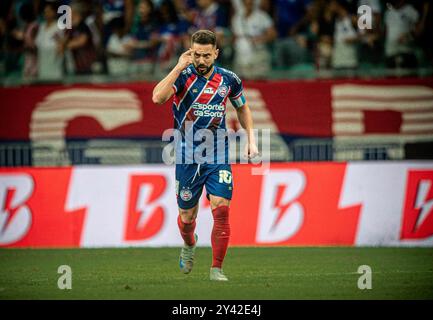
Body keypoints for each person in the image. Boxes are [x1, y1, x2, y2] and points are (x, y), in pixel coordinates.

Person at [152, 30, 258, 281]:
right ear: (190, 52)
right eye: (196, 55)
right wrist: (178, 67)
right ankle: (189, 244)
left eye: (206, 56)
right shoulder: (183, 76)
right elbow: (158, 97)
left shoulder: (229, 79)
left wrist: (251, 139)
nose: (201, 60)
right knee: (187, 218)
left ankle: (216, 269)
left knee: (221, 208)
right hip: (187, 156)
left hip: (217, 154)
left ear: (216, 54)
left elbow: (242, 108)